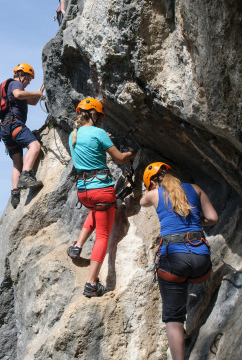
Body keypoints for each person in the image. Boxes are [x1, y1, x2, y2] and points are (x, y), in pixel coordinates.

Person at [140, 162, 218, 360]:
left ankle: (178, 342)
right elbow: (213, 218)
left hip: (174, 258)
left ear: (152, 183)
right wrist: (192, 220)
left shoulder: (153, 194)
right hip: (201, 260)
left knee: (173, 318)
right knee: (183, 279)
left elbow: (142, 203)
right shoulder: (195, 189)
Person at [67, 98, 133, 297]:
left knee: (96, 212)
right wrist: (131, 152)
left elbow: (90, 146)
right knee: (103, 236)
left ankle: (77, 247)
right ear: (94, 115)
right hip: (102, 189)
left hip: (84, 190)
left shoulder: (73, 135)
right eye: (99, 117)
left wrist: (104, 138)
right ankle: (91, 283)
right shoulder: (100, 133)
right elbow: (120, 158)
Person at [0, 63, 45, 209]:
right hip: (14, 124)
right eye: (28, 79)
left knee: (16, 163)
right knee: (35, 146)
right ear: (22, 74)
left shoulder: (15, 88)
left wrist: (40, 90)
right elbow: (18, 94)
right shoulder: (15, 84)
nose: (28, 82)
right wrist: (34, 92)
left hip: (6, 129)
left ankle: (15, 192)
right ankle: (26, 176)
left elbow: (33, 100)